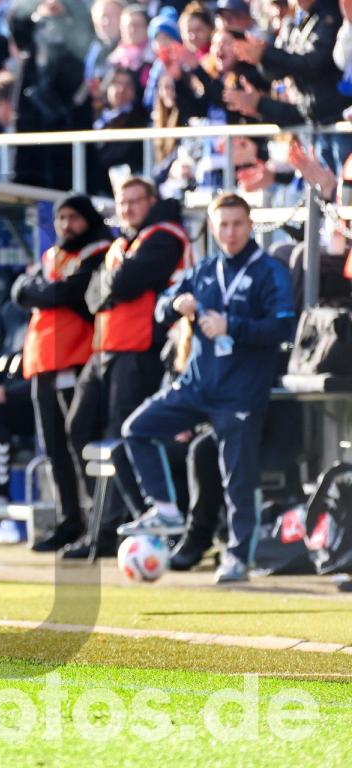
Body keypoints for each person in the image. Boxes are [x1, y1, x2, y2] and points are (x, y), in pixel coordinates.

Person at [120, 193, 296, 583]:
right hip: (197, 383)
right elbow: (160, 306)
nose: (230, 232)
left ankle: (237, 558)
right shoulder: (203, 269)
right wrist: (174, 305)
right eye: (222, 225)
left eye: (236, 224)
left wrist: (232, 325)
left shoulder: (270, 270)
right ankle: (164, 508)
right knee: (136, 429)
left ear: (250, 225)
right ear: (212, 228)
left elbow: (284, 328)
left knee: (238, 479)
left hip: (240, 391)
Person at [63, 176, 190, 558]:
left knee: (125, 439)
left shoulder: (165, 235)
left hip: (139, 352)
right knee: (78, 429)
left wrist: (112, 282)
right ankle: (100, 521)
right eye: (122, 202)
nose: (128, 208)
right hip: (104, 350)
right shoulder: (121, 243)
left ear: (151, 202)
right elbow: (91, 296)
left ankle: (133, 525)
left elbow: (129, 281)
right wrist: (112, 283)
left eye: (136, 201)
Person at [12, 194, 113, 553]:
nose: (65, 225)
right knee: (54, 446)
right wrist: (37, 290)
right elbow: (19, 290)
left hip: (77, 358)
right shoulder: (53, 254)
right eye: (60, 218)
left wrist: (35, 289)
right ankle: (70, 521)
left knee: (78, 444)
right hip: (43, 362)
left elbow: (66, 294)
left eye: (73, 217)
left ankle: (97, 523)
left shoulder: (99, 251)